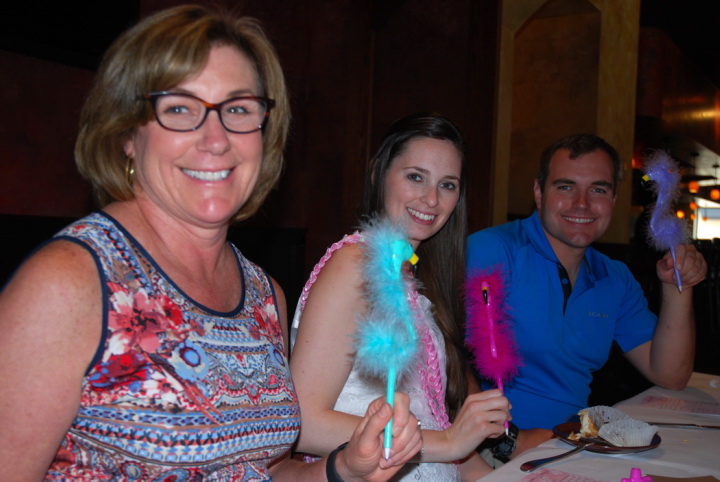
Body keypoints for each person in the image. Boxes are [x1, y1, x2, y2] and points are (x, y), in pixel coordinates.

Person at [0, 6, 422, 480]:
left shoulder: (264, 295)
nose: (216, 140)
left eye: (238, 109)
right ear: (126, 133)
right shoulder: (70, 284)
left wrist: (343, 467)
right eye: (180, 109)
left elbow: (262, 470)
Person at [290, 113, 511, 481]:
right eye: (415, 177)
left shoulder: (415, 280)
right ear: (378, 173)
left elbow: (435, 423)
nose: (431, 199)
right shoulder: (355, 263)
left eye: (448, 185)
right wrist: (450, 442)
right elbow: (304, 423)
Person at [466, 133, 707, 462]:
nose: (582, 203)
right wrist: (507, 440)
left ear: (614, 199)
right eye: (565, 186)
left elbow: (670, 375)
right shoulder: (492, 251)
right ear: (539, 192)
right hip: (488, 451)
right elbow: (440, 355)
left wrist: (678, 284)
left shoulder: (615, 277)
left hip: (574, 447)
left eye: (598, 189)